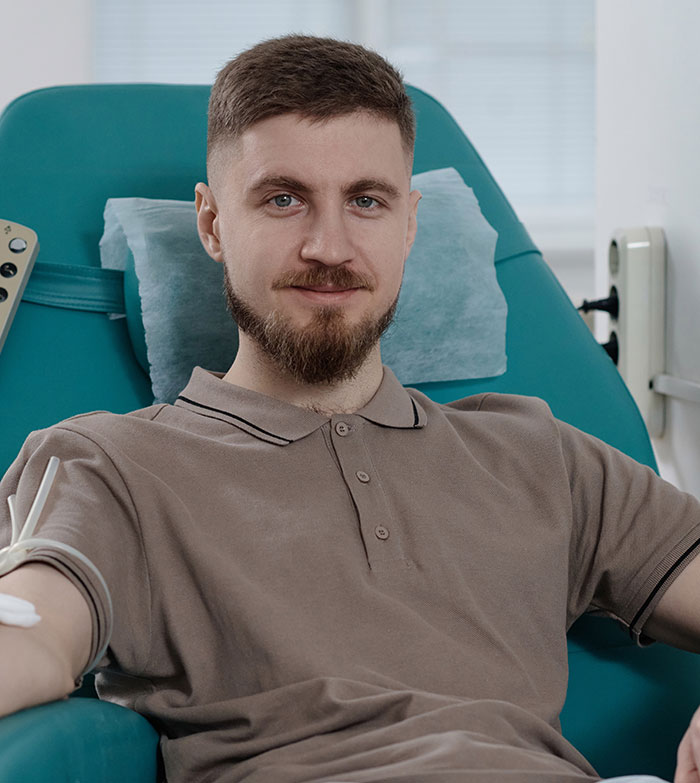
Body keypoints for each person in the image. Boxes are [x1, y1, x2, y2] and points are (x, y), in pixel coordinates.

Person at [1, 34, 700, 783]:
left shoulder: (537, 453)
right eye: (283, 199)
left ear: (409, 223)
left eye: (366, 201)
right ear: (210, 224)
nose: (329, 246)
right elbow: (32, 631)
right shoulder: (112, 467)